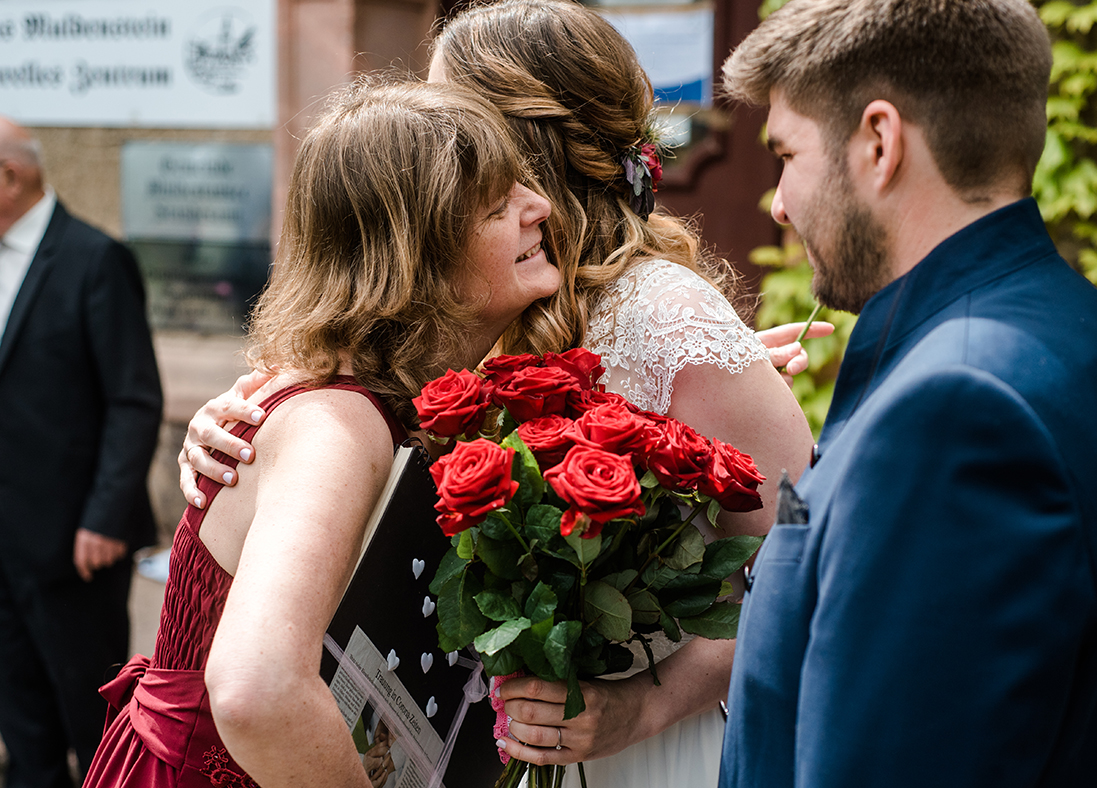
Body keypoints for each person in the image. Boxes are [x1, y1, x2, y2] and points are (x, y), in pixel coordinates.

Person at [177, 2, 827, 786]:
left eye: (454, 114)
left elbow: (799, 576)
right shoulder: (479, 304)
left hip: (633, 745)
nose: (428, 132)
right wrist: (237, 428)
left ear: (521, 144)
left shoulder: (661, 317)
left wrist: (641, 709)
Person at [718, 1, 1097, 786]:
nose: (779, 203)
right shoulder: (1081, 324)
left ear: (877, 142)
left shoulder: (955, 412)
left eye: (787, 154)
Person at [80, 76, 558, 788]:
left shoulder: (379, 400)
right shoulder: (334, 426)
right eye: (496, 206)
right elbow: (256, 692)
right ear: (416, 255)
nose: (540, 207)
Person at [0, 117, 163, 788]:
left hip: (76, 547)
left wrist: (103, 517)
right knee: (22, 721)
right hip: (3, 540)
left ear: (9, 176)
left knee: (90, 723)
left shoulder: (96, 258)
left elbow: (134, 399)